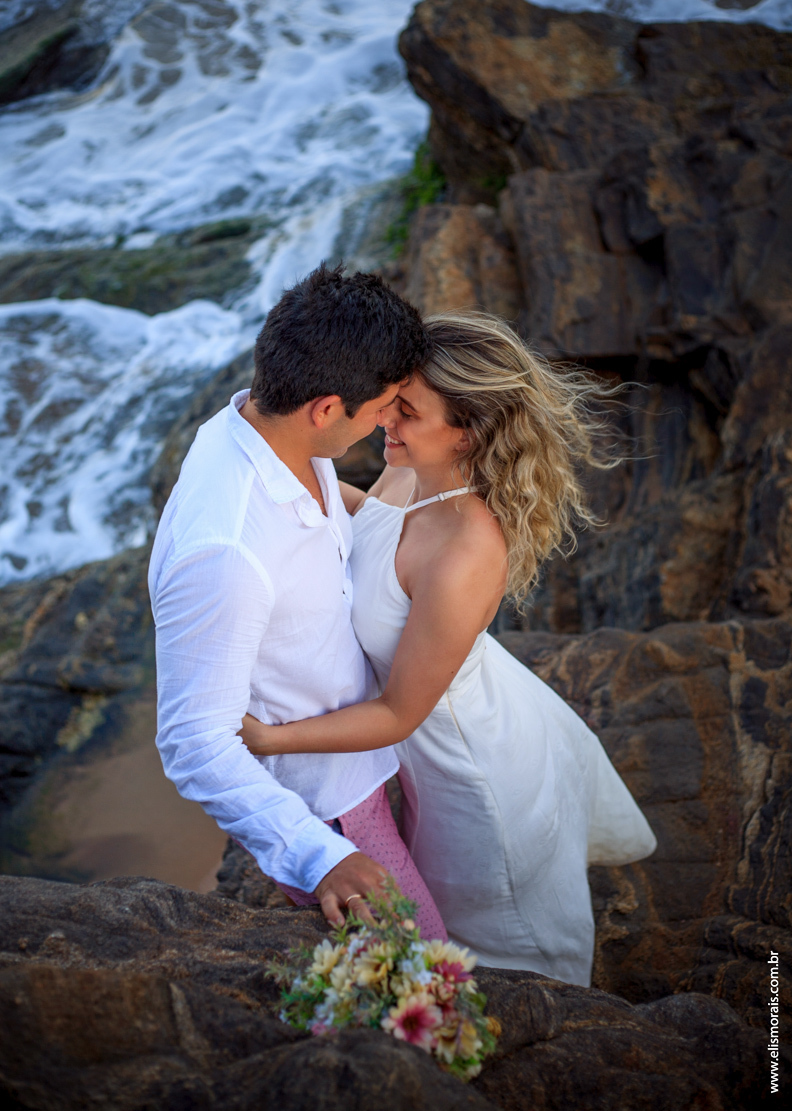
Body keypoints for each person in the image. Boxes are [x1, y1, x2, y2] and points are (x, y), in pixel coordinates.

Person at [238, 308, 657, 986]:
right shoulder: (411, 471)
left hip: (465, 758)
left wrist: (269, 738)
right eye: (390, 402)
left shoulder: (466, 546)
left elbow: (400, 712)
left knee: (494, 925)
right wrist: (272, 479)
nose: (383, 421)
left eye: (406, 411)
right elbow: (367, 520)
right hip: (436, 731)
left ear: (465, 433)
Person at [149, 263, 446, 938]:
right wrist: (321, 858)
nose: (383, 426)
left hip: (364, 761)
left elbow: (315, 520)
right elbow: (193, 741)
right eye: (377, 411)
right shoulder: (226, 553)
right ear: (325, 408)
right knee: (429, 971)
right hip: (325, 805)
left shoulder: (265, 427)